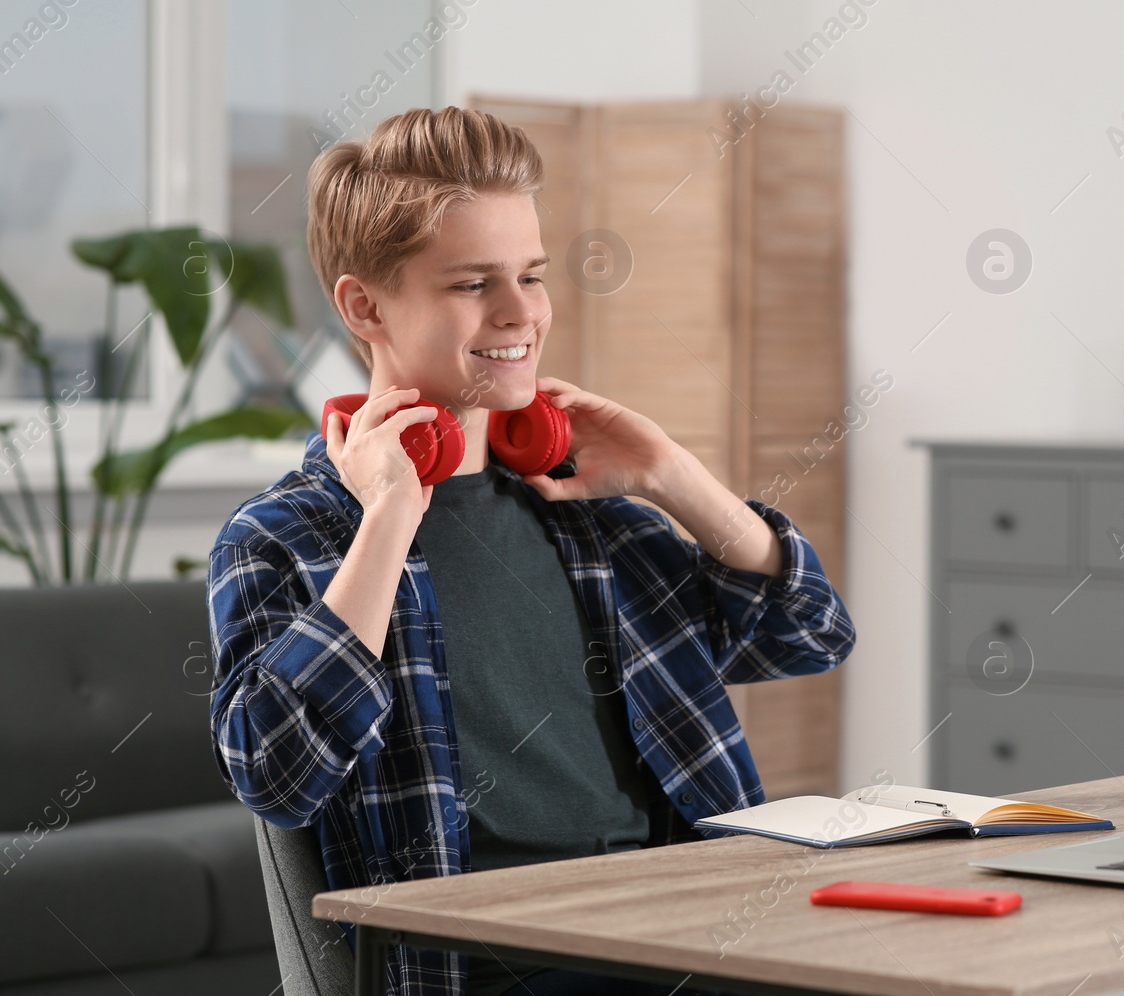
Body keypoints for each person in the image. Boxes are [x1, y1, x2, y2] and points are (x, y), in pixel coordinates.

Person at [208, 106, 856, 996]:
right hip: (484, 968)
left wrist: (673, 476)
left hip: (678, 929)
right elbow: (277, 776)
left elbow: (808, 633)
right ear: (365, 305)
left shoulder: (589, 514)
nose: (521, 312)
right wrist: (392, 513)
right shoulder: (285, 539)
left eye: (533, 275)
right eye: (474, 283)